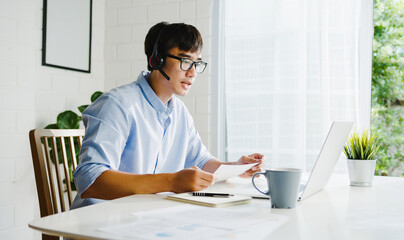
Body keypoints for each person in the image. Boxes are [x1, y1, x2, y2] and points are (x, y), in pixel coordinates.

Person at [71, 22, 265, 209]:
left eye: (196, 64)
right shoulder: (117, 104)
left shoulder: (179, 112)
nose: (192, 73)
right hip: (100, 222)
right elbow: (90, 180)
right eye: (185, 61)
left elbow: (200, 161)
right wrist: (172, 181)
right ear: (157, 60)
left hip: (142, 219)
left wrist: (236, 167)